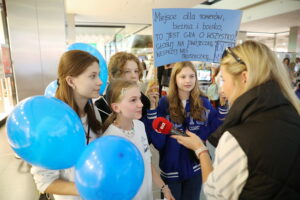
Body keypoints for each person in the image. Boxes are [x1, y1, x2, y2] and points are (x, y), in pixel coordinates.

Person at [172, 41, 300, 199]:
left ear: (244, 77)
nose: (222, 89)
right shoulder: (293, 114)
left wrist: (201, 150)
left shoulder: (238, 139)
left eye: (224, 80)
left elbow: (215, 194)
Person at [146, 61, 225, 200]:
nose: (188, 80)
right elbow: (158, 142)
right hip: (171, 172)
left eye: (191, 76)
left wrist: (223, 107)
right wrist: (152, 108)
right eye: (183, 77)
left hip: (194, 170)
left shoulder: (203, 103)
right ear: (175, 79)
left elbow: (214, 125)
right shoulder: (164, 104)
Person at [31, 50, 103, 200]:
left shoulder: (93, 112)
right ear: (71, 81)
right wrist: (87, 189)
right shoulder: (53, 124)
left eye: (98, 75)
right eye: (92, 76)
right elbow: (45, 182)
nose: (100, 81)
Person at [102, 79, 175, 200]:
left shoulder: (140, 126)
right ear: (116, 107)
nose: (141, 104)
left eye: (139, 98)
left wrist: (164, 187)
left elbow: (146, 162)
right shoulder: (110, 140)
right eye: (133, 100)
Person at [95, 52, 152, 123]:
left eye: (136, 71)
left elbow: (148, 129)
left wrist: (152, 105)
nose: (133, 76)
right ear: (114, 75)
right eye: (127, 71)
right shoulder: (101, 106)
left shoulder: (144, 101)